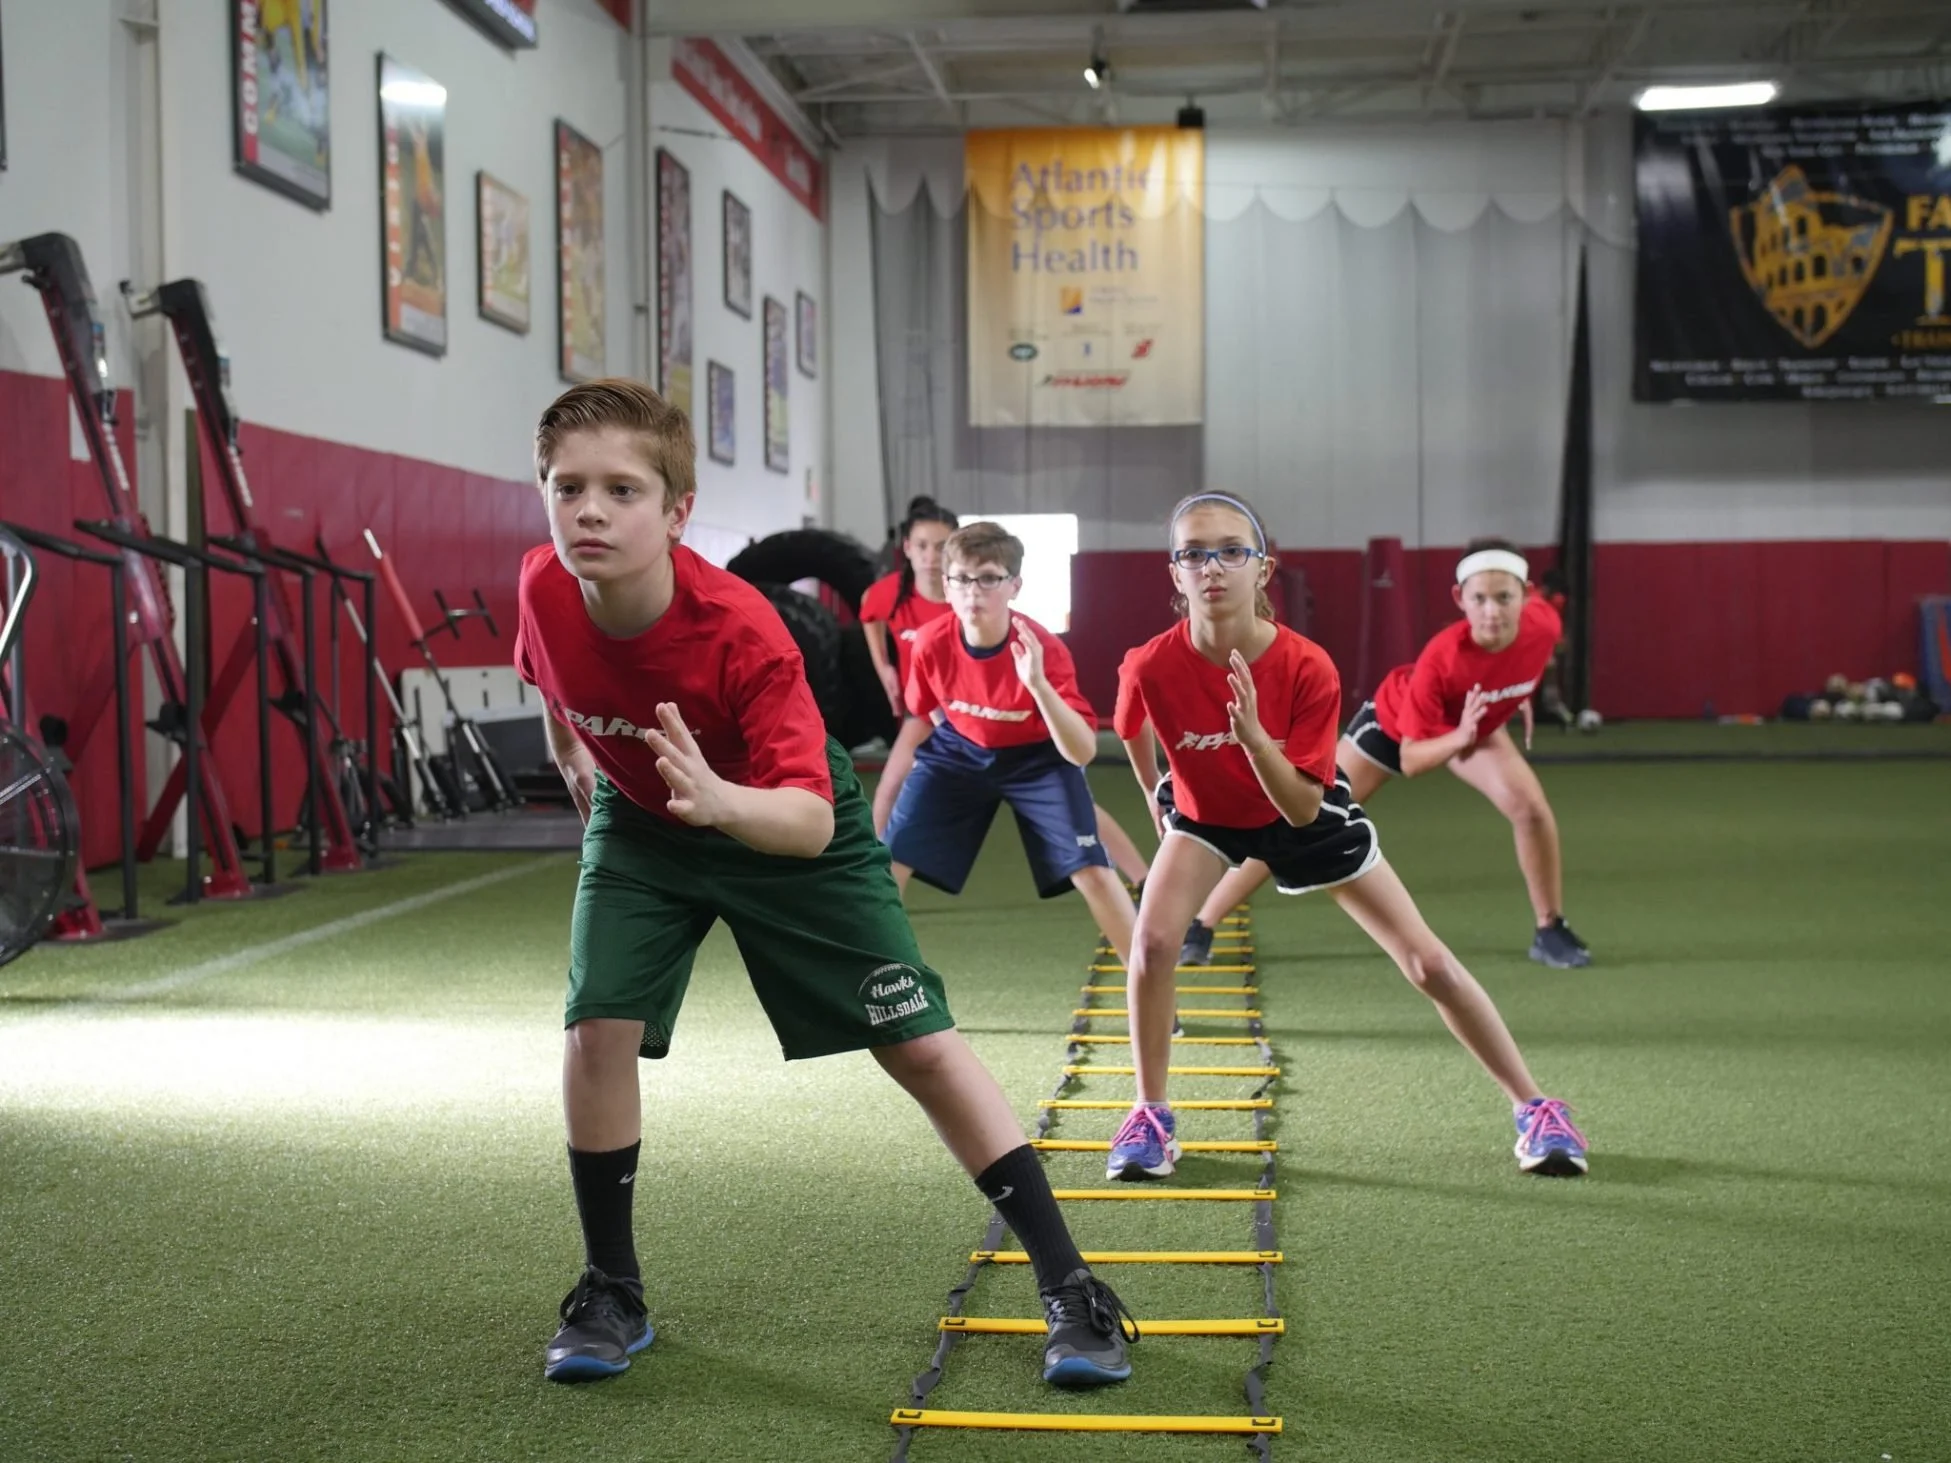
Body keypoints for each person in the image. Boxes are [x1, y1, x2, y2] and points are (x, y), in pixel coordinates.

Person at [514, 380, 1137, 1388]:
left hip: (781, 820)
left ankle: (1072, 1288)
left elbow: (805, 819)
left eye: (621, 489)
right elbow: (547, 674)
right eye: (567, 485)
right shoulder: (543, 581)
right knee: (597, 1026)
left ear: (676, 513)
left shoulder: (742, 631)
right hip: (646, 821)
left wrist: (720, 800)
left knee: (918, 1043)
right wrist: (577, 758)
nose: (589, 508)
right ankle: (610, 1286)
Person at [1109, 493, 1589, 1183]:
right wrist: (1156, 791)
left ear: (1262, 569)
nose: (1211, 566)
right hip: (1205, 815)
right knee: (1152, 942)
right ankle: (1150, 1114)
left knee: (1426, 964)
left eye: (1230, 550)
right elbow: (1130, 723)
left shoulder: (1307, 666)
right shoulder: (1150, 663)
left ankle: (1536, 1106)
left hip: (1303, 810)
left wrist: (1250, 742)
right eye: (1192, 552)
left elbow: (1302, 809)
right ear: (1174, 573)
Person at [1179, 537, 1590, 971]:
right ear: (1460, 599)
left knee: (1531, 811)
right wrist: (1462, 735)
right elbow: (1412, 759)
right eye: (1480, 598)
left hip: (1472, 726)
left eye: (1504, 598)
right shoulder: (1443, 657)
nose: (1492, 610)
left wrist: (1515, 697)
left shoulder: (1544, 625)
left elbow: (1518, 664)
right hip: (1396, 732)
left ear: (1525, 598)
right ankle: (1201, 924)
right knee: (1295, 824)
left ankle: (1550, 928)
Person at [883, 522, 1139, 967]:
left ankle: (1151, 984)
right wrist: (968, 735)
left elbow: (1082, 753)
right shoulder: (929, 643)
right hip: (959, 753)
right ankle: (877, 981)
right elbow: (928, 710)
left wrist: (1038, 685)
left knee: (1093, 871)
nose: (973, 591)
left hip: (1038, 759)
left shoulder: (1042, 648)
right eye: (961, 578)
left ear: (1014, 586)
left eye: (988, 578)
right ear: (946, 585)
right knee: (887, 864)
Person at [861, 497, 960, 837]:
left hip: (975, 712)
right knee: (890, 786)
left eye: (941, 547)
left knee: (1056, 795)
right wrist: (884, 667)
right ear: (907, 548)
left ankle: (1131, 873)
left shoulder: (967, 595)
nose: (931, 557)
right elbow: (868, 613)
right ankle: (871, 865)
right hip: (923, 712)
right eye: (921, 546)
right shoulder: (890, 594)